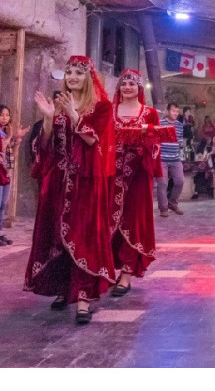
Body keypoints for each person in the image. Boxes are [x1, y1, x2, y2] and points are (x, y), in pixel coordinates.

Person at [24, 56, 116, 324]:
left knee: (83, 236)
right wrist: (50, 119)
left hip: (85, 184)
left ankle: (84, 297)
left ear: (88, 76)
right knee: (56, 237)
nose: (72, 77)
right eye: (69, 72)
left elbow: (92, 140)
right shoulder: (59, 105)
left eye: (78, 72)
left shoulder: (101, 107)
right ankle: (64, 289)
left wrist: (75, 114)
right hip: (57, 182)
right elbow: (46, 146)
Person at [109, 70, 173, 297]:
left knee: (132, 222)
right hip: (110, 176)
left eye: (132, 83)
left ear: (139, 88)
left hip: (137, 177)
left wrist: (146, 140)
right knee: (107, 222)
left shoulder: (150, 114)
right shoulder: (109, 111)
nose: (127, 87)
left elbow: (156, 145)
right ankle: (106, 270)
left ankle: (125, 274)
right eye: (123, 83)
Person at [0, 104, 30, 246]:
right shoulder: (4, 135)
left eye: (7, 115)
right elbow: (3, 147)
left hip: (5, 174)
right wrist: (11, 136)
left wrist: (17, 141)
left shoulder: (5, 133)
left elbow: (12, 156)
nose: (5, 118)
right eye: (2, 115)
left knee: (2, 205)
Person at [156, 103, 185, 217]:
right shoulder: (160, 124)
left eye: (177, 111)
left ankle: (172, 202)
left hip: (175, 158)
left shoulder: (179, 125)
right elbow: (156, 139)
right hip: (162, 159)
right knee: (162, 184)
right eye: (173, 111)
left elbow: (180, 140)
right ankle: (163, 208)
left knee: (180, 181)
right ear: (168, 111)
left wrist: (181, 146)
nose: (176, 113)